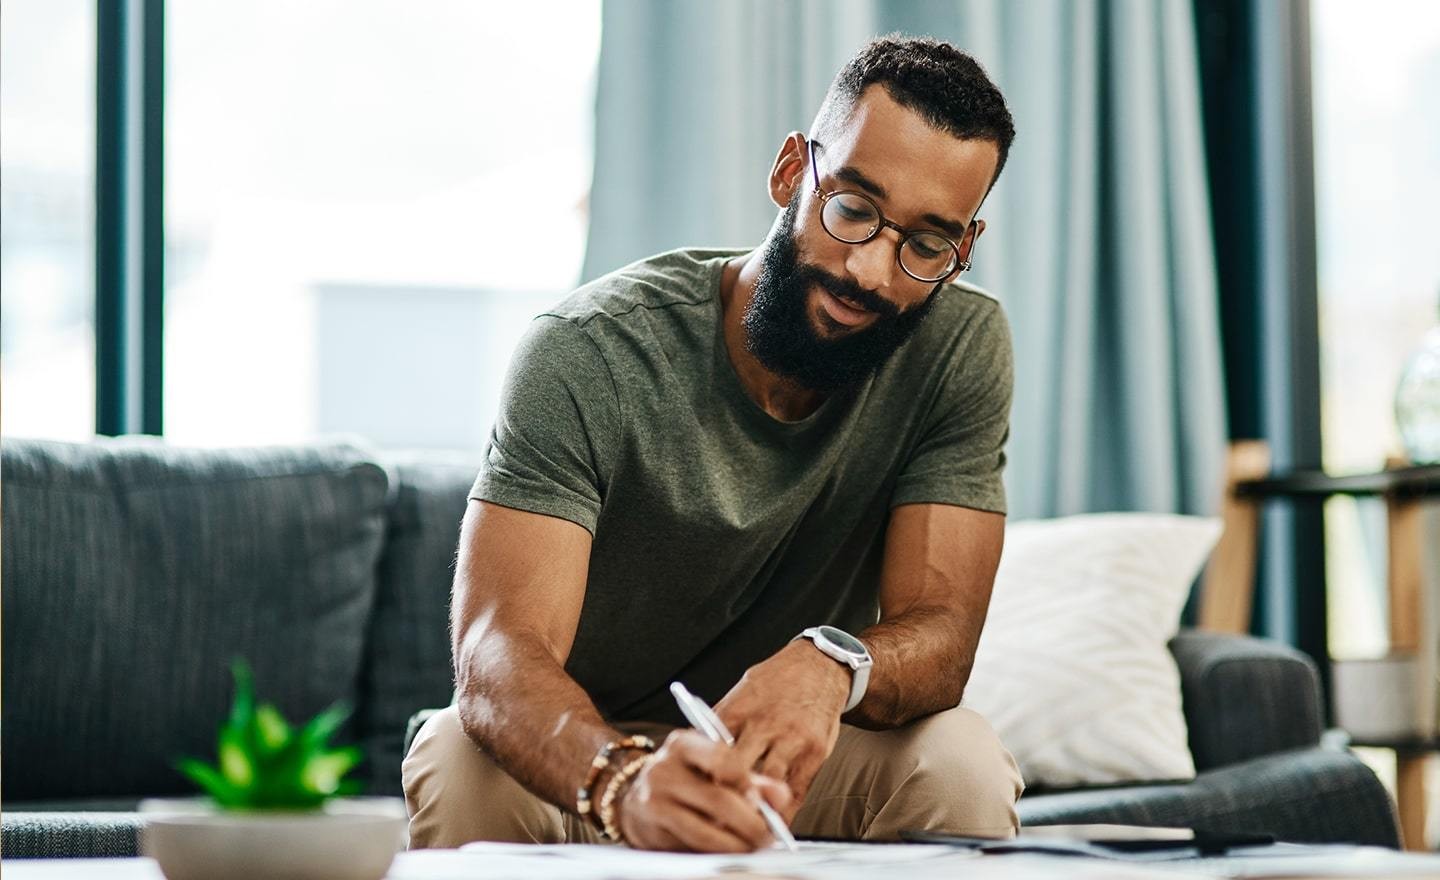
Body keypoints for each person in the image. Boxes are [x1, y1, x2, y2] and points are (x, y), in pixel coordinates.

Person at [403, 35, 1023, 853]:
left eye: (926, 245)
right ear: (791, 173)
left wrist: (832, 663)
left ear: (963, 249)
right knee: (457, 754)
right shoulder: (588, 350)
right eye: (852, 210)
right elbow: (497, 652)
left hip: (783, 762)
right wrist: (623, 783)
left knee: (960, 760)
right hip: (587, 752)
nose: (871, 273)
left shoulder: (959, 347)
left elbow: (941, 635)